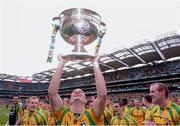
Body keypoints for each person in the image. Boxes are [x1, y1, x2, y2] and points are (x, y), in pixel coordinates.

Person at [48, 55, 107, 125]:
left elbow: (102, 95)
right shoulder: (62, 113)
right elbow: (52, 93)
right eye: (74, 92)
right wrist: (61, 62)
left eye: (81, 92)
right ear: (70, 100)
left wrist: (95, 63)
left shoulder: (92, 115)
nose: (77, 92)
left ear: (85, 100)